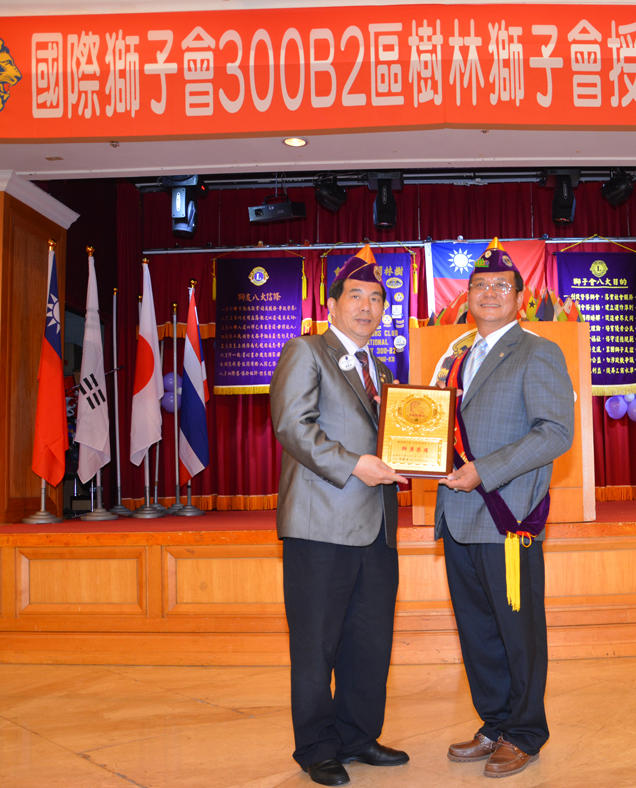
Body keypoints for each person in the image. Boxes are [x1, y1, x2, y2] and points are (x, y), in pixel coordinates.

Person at [270, 249, 409, 786]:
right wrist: (355, 464)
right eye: (356, 296)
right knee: (316, 643)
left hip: (377, 527)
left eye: (376, 299)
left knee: (369, 641)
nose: (367, 307)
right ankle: (316, 747)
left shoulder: (382, 370)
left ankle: (358, 736)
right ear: (332, 304)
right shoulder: (307, 351)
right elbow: (293, 425)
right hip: (320, 524)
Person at [435, 244, 575, 778]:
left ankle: (524, 732)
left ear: (520, 298)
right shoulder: (459, 357)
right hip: (458, 515)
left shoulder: (537, 351)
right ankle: (494, 723)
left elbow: (555, 433)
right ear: (466, 297)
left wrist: (485, 471)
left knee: (518, 632)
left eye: (501, 286)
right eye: (479, 286)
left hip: (507, 517)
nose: (489, 293)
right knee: (477, 632)